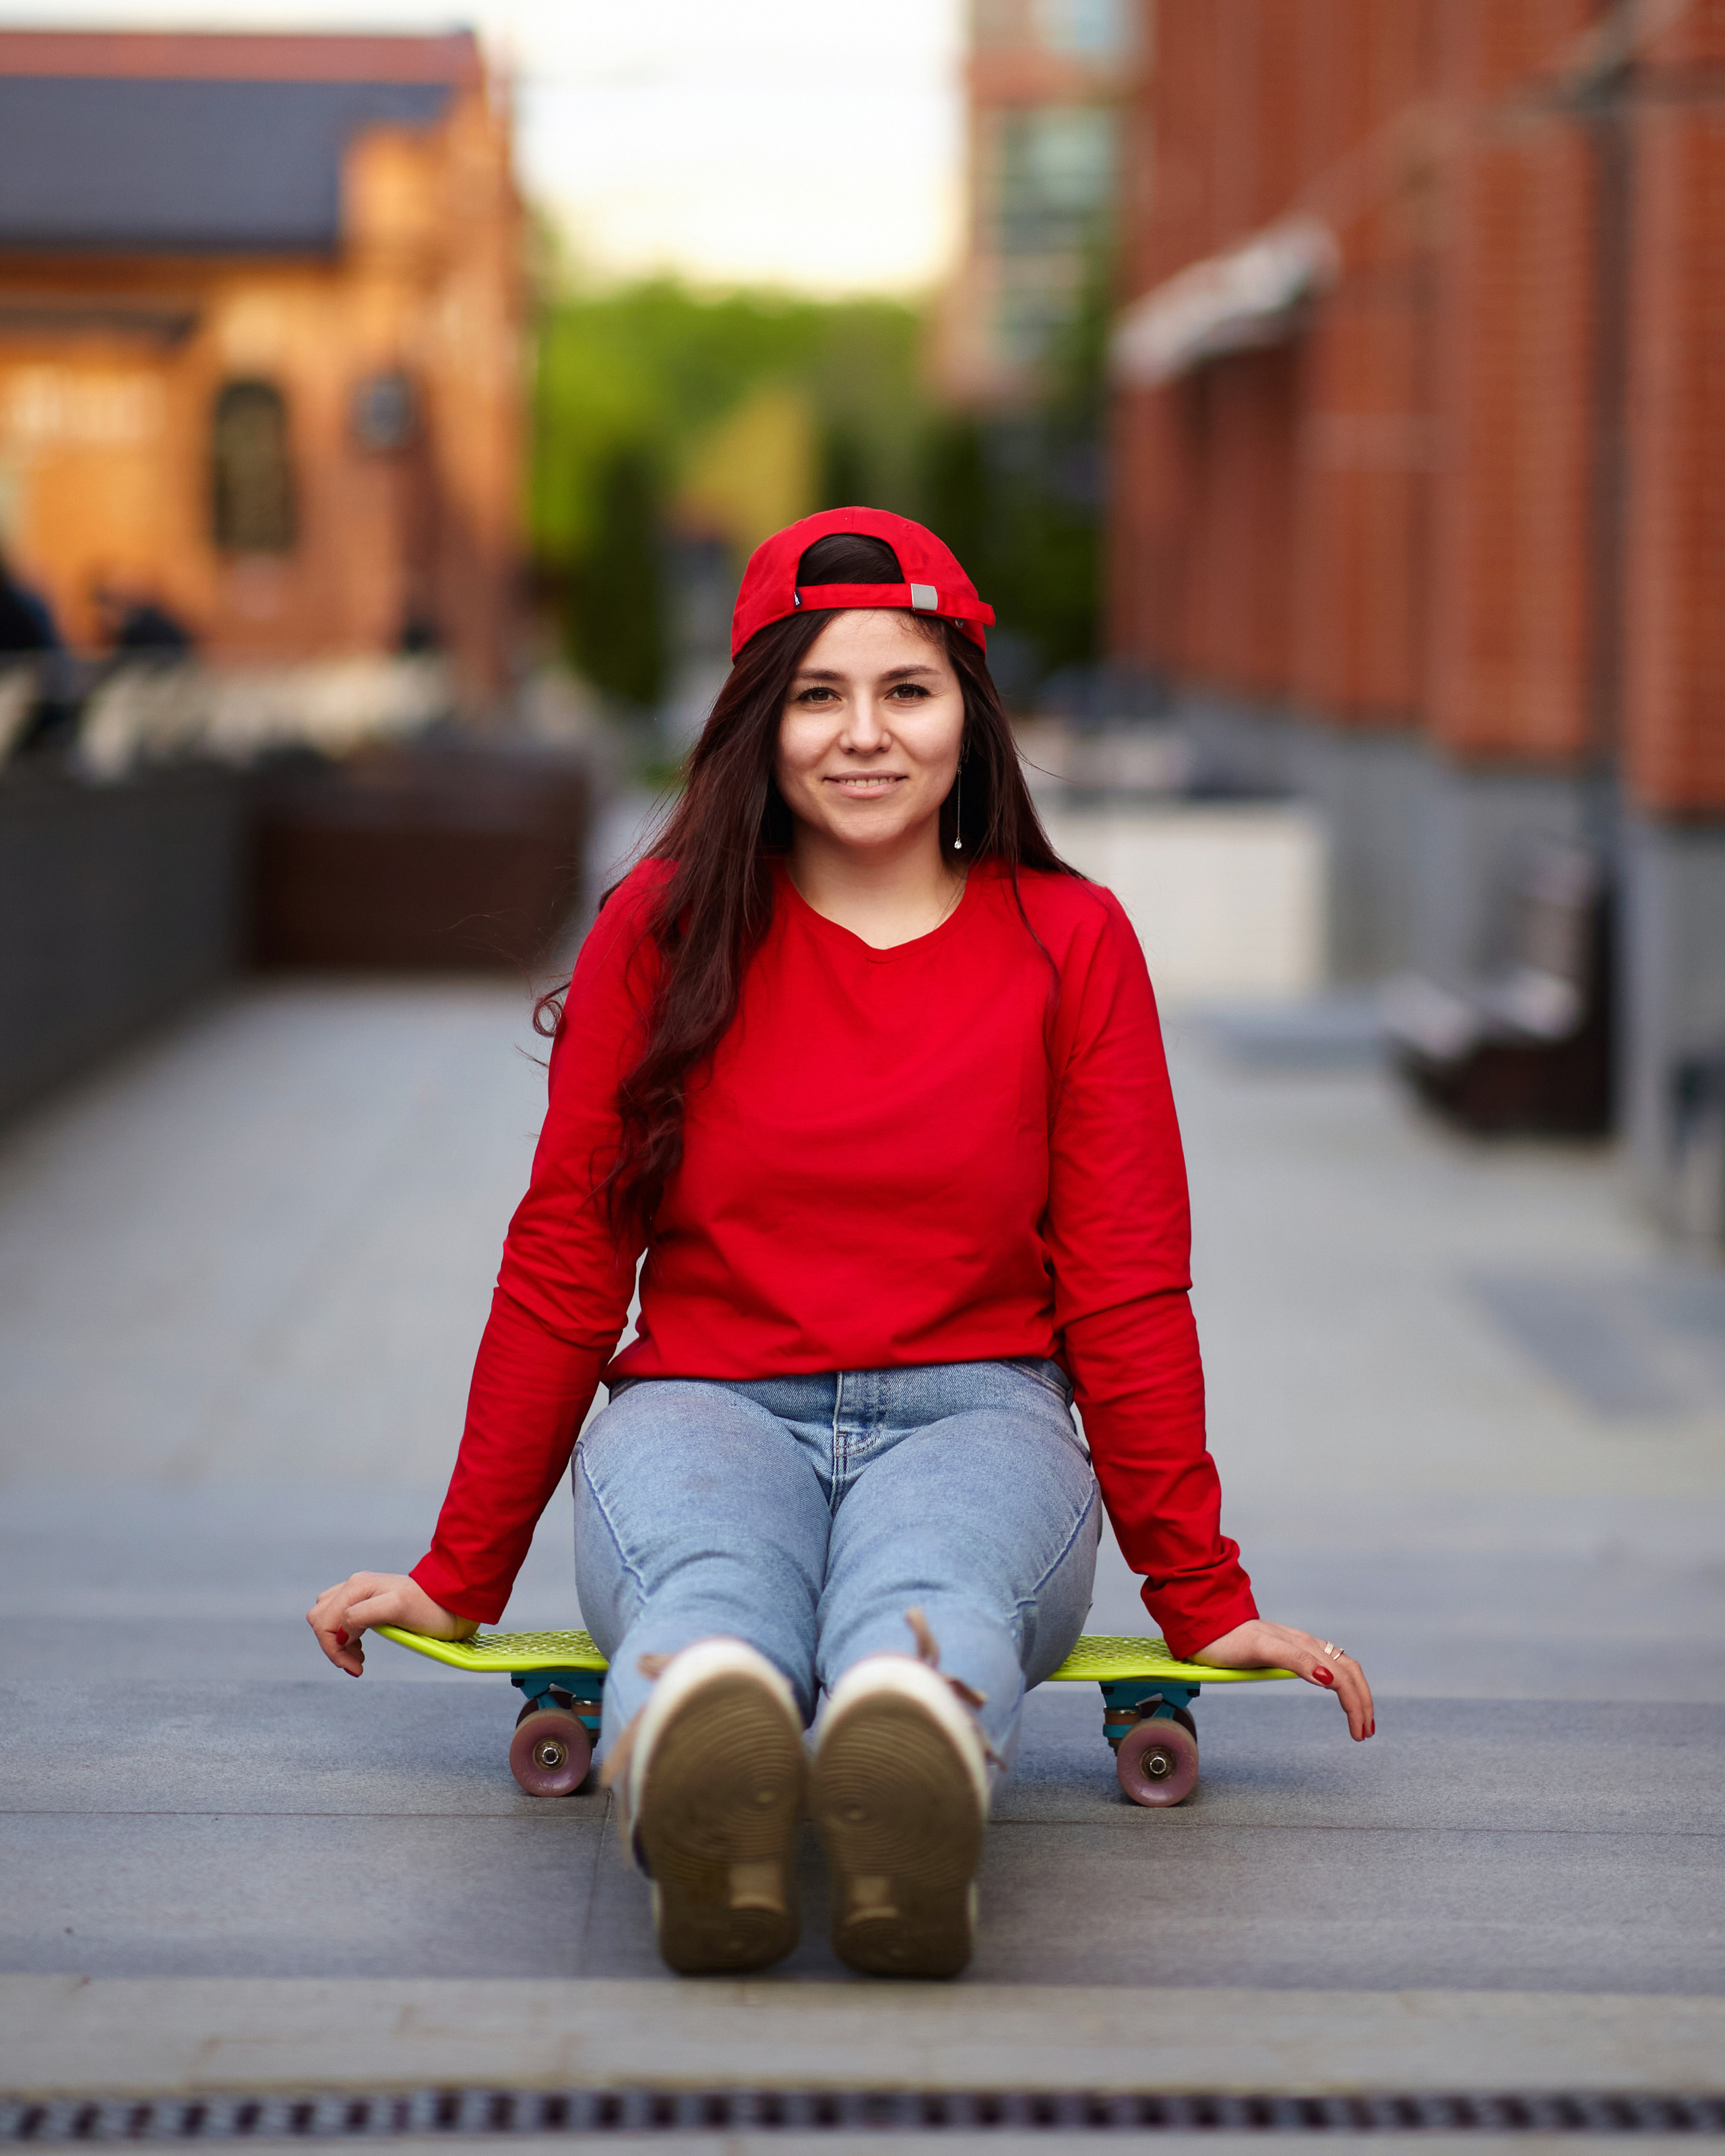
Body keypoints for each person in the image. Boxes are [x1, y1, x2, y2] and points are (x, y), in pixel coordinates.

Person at [309, 507, 1375, 1981]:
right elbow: (569, 1251)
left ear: (968, 714)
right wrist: (461, 1569)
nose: (862, 735)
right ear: (758, 720)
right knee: (704, 1577)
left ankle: (908, 1783)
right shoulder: (661, 929)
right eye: (818, 693)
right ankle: (701, 1772)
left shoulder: (1072, 942)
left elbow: (1125, 1289)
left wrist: (1205, 1598)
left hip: (981, 1409)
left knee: (930, 1586)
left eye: (906, 690)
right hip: (703, 1405)